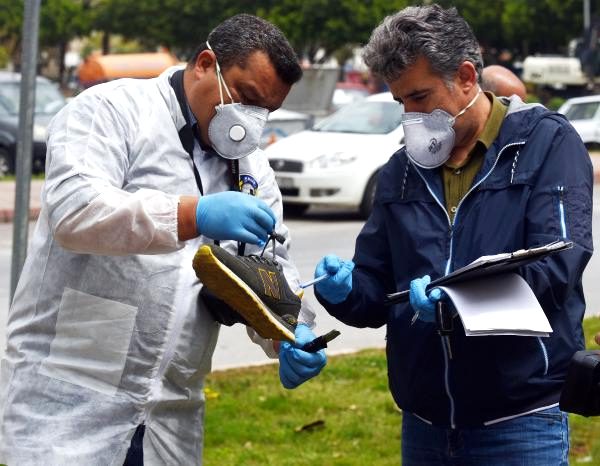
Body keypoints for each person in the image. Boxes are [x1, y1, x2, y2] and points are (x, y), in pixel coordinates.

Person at [0, 14, 326, 465]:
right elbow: (75, 212)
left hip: (170, 415)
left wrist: (289, 334)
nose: (250, 124)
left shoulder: (252, 169)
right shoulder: (111, 111)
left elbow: (271, 269)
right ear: (204, 64)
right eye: (246, 99)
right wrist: (196, 213)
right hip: (68, 407)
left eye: (264, 112)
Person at [313, 5, 593, 465]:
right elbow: (376, 290)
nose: (410, 115)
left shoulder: (546, 144)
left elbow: (559, 265)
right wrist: (342, 291)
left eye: (420, 97)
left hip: (519, 421)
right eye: (401, 101)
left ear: (466, 77)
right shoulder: (401, 170)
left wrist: (461, 301)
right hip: (424, 422)